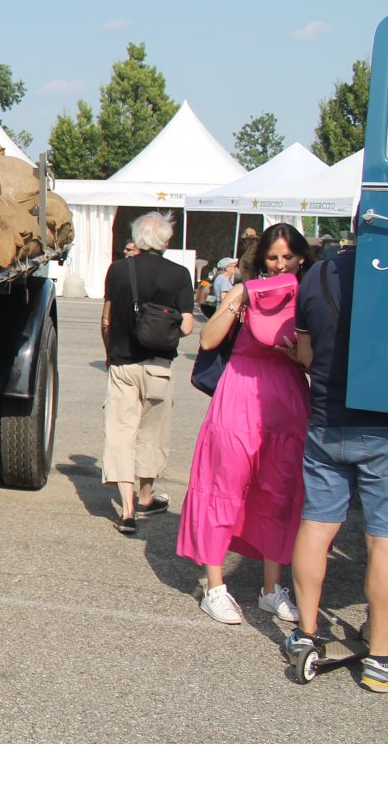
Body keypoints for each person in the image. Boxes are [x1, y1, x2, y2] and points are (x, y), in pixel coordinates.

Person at [177, 223, 312, 625]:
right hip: (239, 393)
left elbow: (312, 359)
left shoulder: (305, 296)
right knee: (224, 487)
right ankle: (214, 586)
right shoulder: (244, 291)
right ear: (261, 258)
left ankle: (272, 588)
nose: (280, 264)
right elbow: (207, 341)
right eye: (273, 257)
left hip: (286, 397)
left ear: (301, 257)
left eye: (288, 257)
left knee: (279, 491)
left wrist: (295, 355)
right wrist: (240, 297)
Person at [282, 234, 388, 692]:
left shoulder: (317, 274)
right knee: (381, 540)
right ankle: (380, 655)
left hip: (326, 418)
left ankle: (305, 634)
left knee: (317, 525)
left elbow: (304, 354)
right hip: (381, 423)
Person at [101, 212, 194, 536]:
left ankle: (126, 511)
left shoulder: (118, 270)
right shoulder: (180, 275)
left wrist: (110, 353)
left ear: (137, 238)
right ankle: (146, 496)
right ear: (166, 240)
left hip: (123, 364)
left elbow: (106, 320)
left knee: (121, 434)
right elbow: (187, 325)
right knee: (152, 435)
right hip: (158, 366)